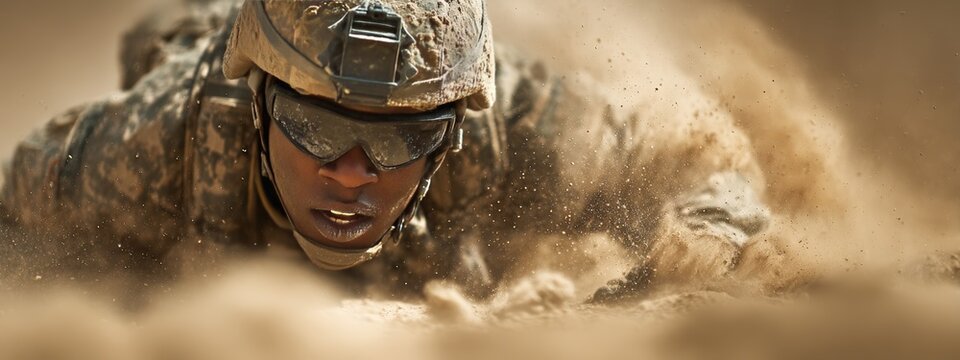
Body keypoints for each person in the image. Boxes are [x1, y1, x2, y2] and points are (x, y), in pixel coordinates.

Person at [0, 0, 773, 300]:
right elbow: (17, 200)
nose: (350, 173)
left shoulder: (526, 133)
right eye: (316, 129)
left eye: (399, 140)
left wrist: (705, 231)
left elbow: (702, 163)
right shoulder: (147, 151)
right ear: (263, 106)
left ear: (446, 139)